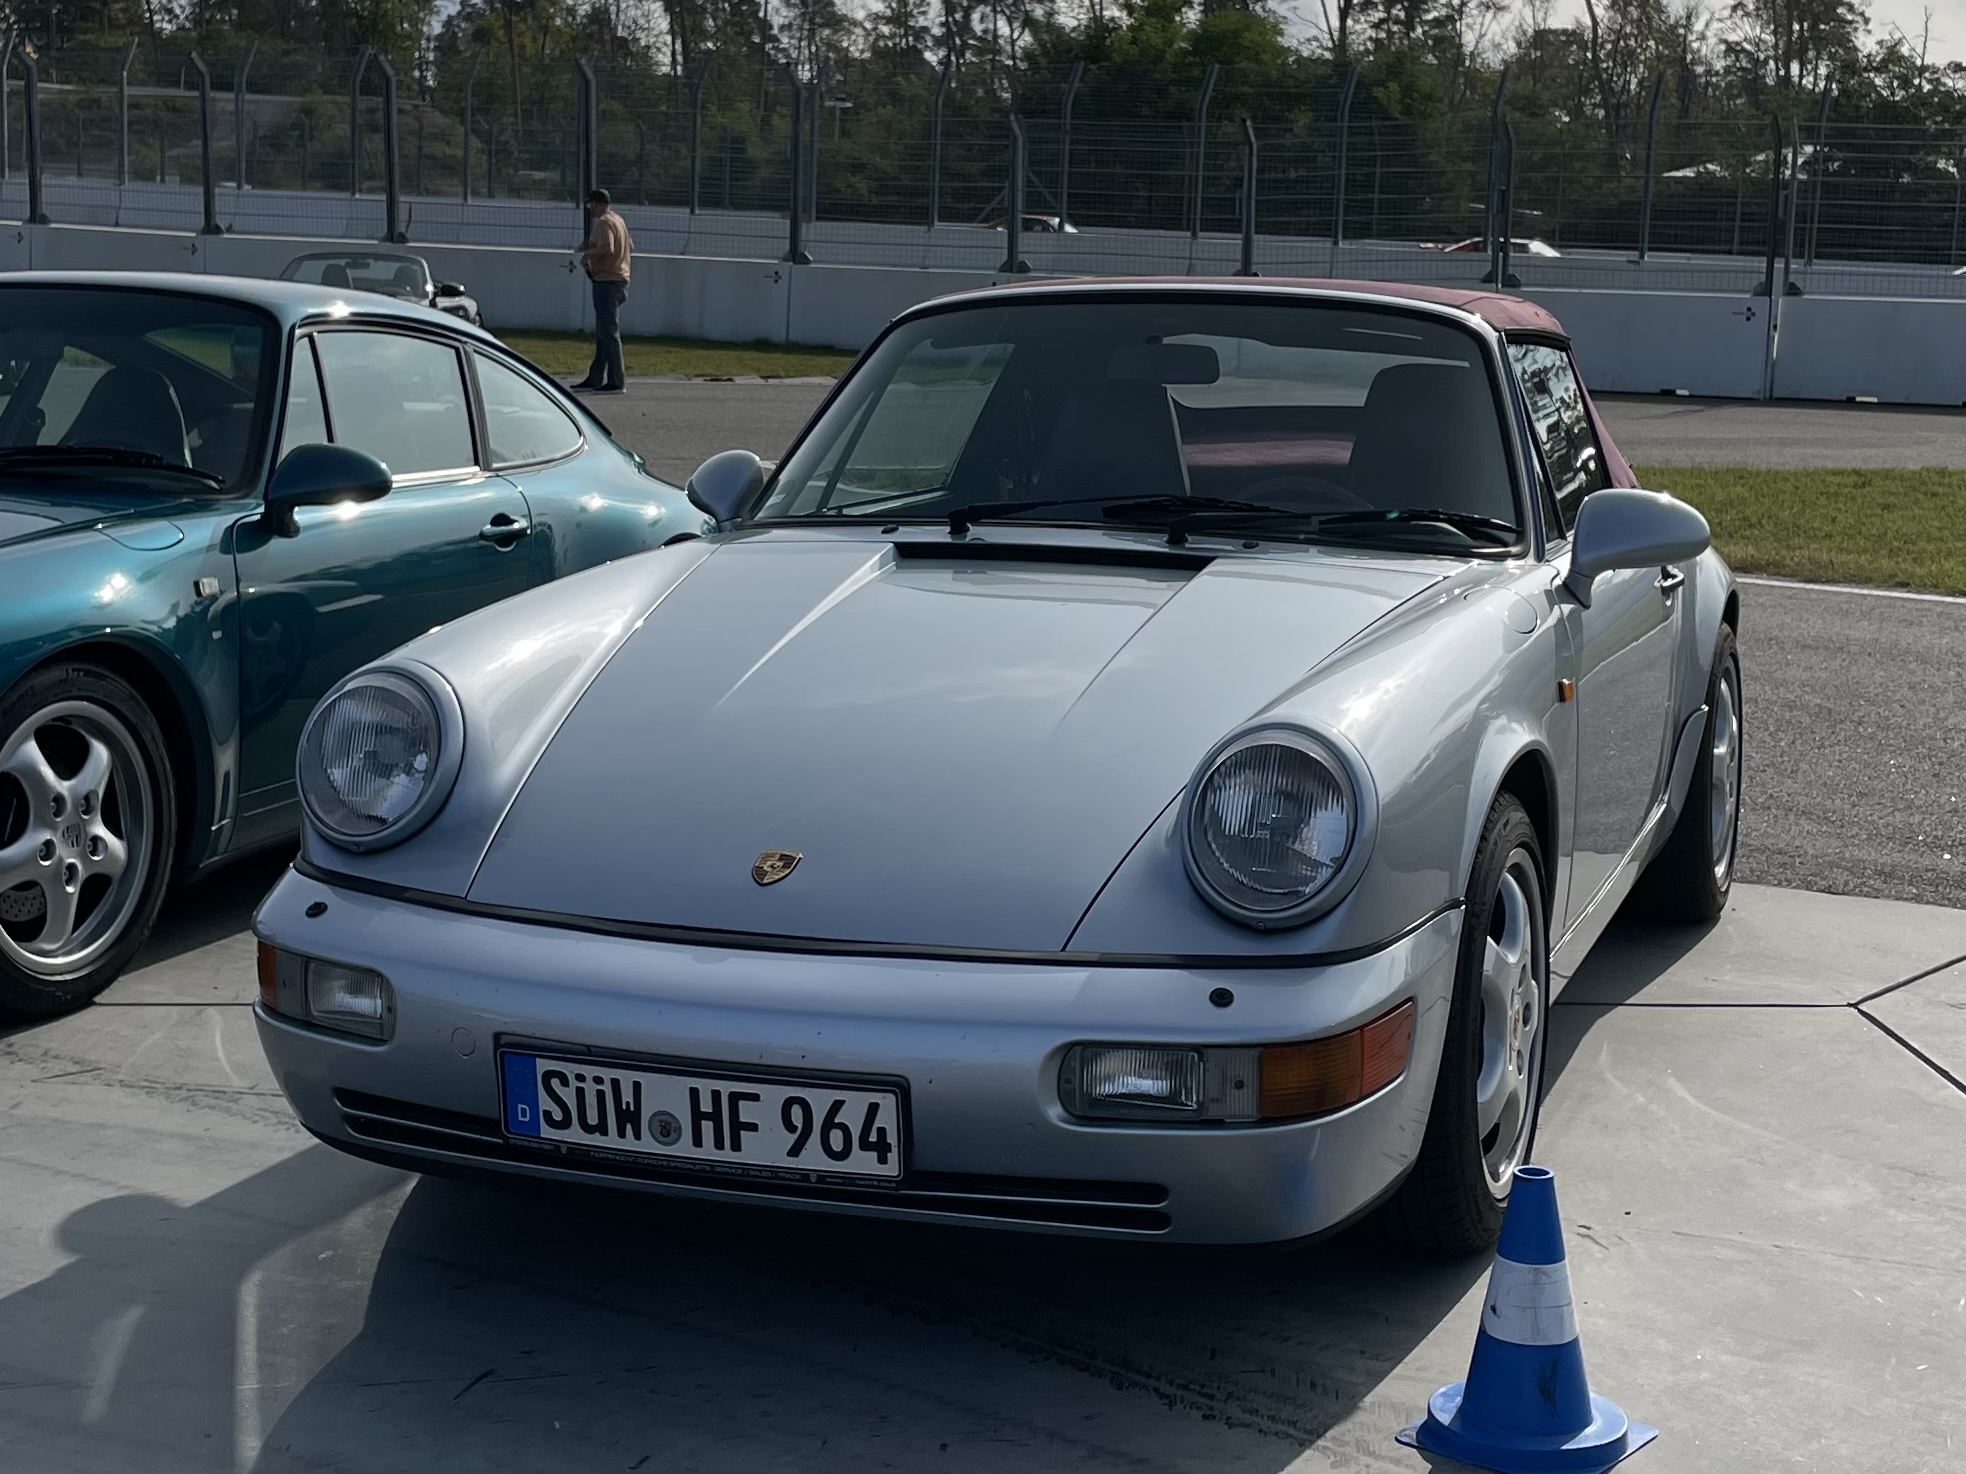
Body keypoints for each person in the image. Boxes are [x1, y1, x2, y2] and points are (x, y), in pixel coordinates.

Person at [572, 188, 632, 394]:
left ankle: (616, 381)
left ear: (598, 204)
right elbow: (630, 246)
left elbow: (608, 247)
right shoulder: (618, 221)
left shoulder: (604, 222)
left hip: (607, 280)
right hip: (620, 279)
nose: (590, 209)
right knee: (604, 333)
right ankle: (595, 377)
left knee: (608, 332)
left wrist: (588, 255)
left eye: (591, 205)